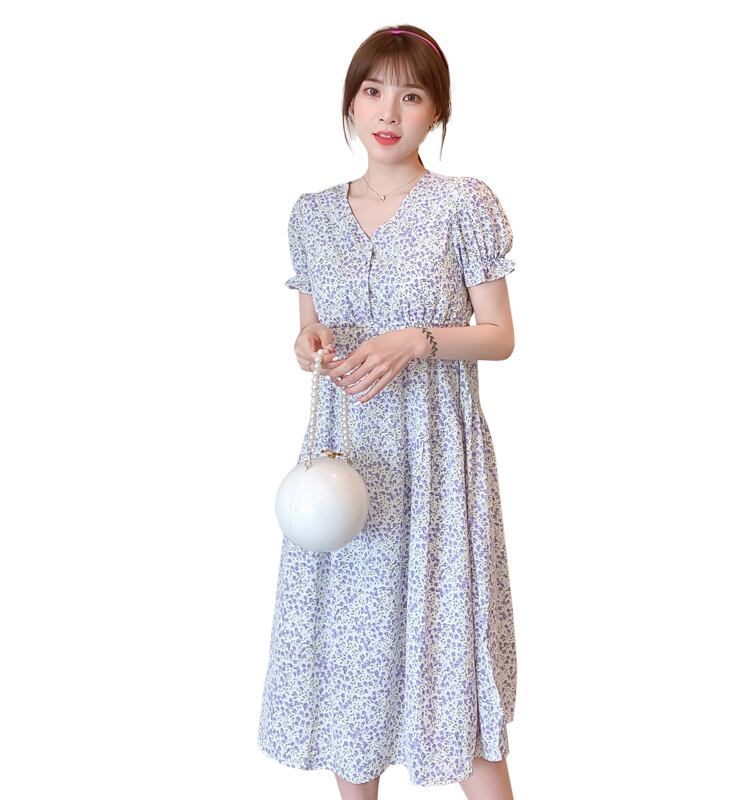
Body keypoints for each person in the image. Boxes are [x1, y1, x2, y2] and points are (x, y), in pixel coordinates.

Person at [257, 24, 518, 800]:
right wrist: (309, 344)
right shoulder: (311, 214)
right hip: (344, 467)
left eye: (411, 95)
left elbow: (500, 336)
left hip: (437, 463)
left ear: (436, 111)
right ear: (351, 102)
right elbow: (308, 335)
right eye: (373, 91)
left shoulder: (463, 204)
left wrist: (417, 341)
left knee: (451, 656)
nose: (388, 112)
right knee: (353, 659)